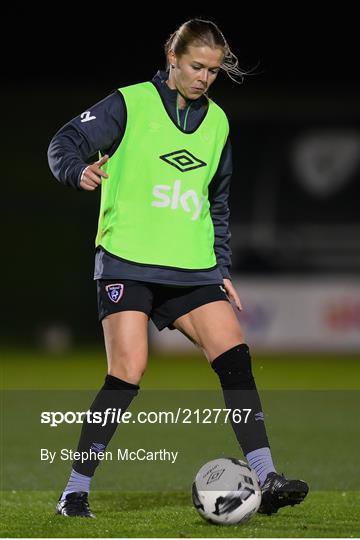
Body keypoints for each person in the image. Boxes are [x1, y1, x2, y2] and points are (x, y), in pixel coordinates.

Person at [47, 17, 309, 519]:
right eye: (196, 66)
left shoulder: (219, 122)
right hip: (127, 260)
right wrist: (77, 170)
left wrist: (221, 264)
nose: (204, 77)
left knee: (235, 356)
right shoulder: (129, 102)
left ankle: (266, 475)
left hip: (192, 266)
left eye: (213, 70)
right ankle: (74, 491)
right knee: (127, 372)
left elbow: (218, 201)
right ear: (172, 56)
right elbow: (63, 143)